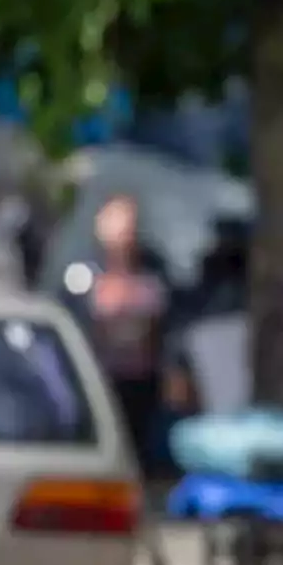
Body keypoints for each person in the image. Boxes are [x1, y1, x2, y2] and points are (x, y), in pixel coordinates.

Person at [84, 194, 172, 473]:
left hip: (143, 381)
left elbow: (160, 334)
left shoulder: (151, 280)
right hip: (104, 380)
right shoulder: (87, 280)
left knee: (139, 445)